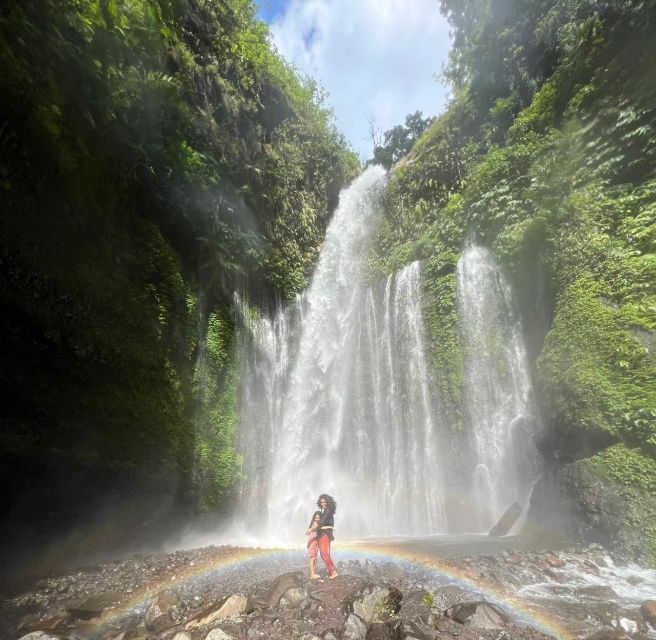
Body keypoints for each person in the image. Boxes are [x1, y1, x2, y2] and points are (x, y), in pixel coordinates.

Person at [315, 493, 338, 579]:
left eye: (324, 502)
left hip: (325, 534)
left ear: (328, 502)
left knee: (324, 554)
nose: (322, 504)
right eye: (321, 502)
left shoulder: (327, 510)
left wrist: (313, 527)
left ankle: (333, 572)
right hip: (324, 534)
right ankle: (331, 570)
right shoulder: (326, 511)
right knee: (324, 554)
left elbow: (320, 523)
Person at [306, 511, 322, 579]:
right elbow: (309, 531)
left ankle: (313, 573)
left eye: (319, 518)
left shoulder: (317, 523)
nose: (317, 519)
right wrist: (309, 530)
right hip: (312, 543)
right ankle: (312, 575)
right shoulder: (315, 524)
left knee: (314, 558)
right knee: (312, 558)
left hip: (315, 543)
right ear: (314, 518)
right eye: (316, 518)